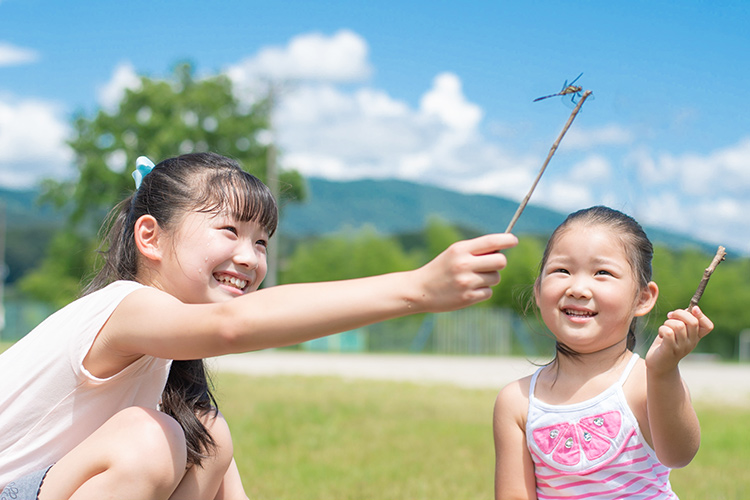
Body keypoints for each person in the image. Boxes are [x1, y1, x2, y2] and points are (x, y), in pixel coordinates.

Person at [0, 152, 518, 500]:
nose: (248, 257)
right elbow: (232, 325)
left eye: (262, 242)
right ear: (150, 238)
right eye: (229, 231)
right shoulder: (122, 308)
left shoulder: (167, 354)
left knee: (208, 436)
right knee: (148, 438)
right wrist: (419, 289)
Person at [492, 206, 713, 500]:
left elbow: (679, 454)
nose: (579, 288)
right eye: (562, 270)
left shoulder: (646, 381)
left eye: (602, 273)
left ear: (642, 298)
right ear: (538, 289)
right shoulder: (516, 402)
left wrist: (664, 371)